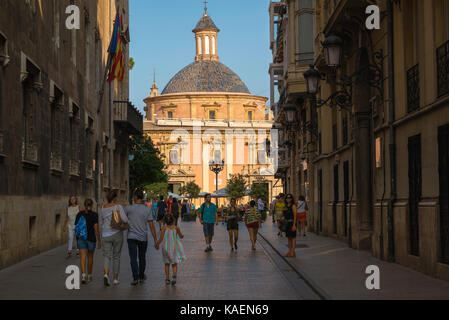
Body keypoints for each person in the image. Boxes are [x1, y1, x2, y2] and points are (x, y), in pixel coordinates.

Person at [125, 189, 158, 286]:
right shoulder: (147, 210)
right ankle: (141, 275)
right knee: (142, 257)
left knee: (133, 258)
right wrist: (155, 239)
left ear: (135, 197)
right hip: (143, 237)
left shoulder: (128, 209)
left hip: (131, 237)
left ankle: (135, 278)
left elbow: (121, 218)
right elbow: (151, 226)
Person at [100, 191, 129, 286]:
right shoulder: (118, 207)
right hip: (116, 233)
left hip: (105, 234)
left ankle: (105, 274)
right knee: (116, 256)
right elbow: (125, 220)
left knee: (106, 256)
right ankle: (115, 279)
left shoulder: (102, 208)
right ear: (115, 198)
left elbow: (100, 222)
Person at [74, 199, 100, 284]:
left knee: (82, 257)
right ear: (91, 205)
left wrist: (76, 238)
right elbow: (96, 229)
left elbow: (76, 228)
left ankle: (83, 275)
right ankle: (89, 275)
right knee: (90, 257)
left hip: (81, 238)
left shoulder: (79, 214)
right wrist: (99, 240)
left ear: (84, 205)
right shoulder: (94, 215)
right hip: (91, 239)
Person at [155, 214, 186, 286]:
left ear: (165, 221)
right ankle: (174, 277)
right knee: (174, 263)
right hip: (174, 248)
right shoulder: (176, 228)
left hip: (165, 248)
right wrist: (182, 236)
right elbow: (181, 236)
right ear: (173, 220)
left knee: (167, 263)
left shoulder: (164, 228)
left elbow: (161, 239)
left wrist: (157, 244)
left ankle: (167, 279)